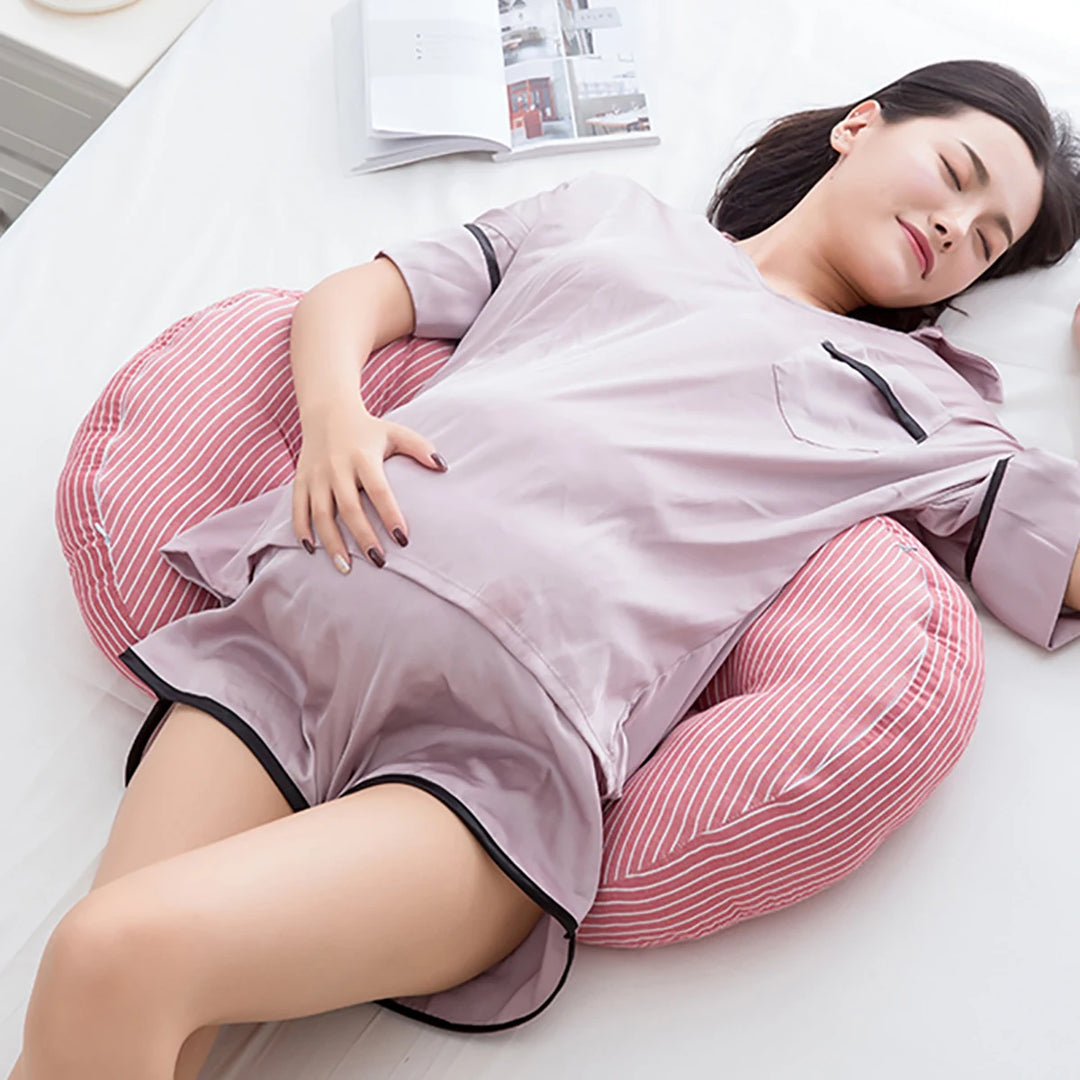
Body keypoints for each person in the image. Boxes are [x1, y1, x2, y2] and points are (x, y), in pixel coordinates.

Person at [10, 58, 1080, 1079]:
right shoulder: (604, 215)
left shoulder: (924, 400)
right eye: (956, 176)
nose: (955, 227)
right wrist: (339, 417)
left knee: (111, 953)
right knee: (124, 1006)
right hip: (288, 637)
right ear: (861, 125)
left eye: (988, 239)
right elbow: (359, 295)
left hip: (493, 764)